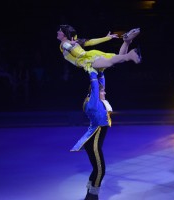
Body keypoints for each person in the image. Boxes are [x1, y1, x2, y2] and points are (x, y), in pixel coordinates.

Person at [70, 70, 113, 200]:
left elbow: (100, 85)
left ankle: (90, 195)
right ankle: (93, 196)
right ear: (96, 93)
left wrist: (101, 72)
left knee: (97, 169)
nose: (104, 92)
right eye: (102, 91)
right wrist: (92, 72)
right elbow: (95, 87)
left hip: (94, 142)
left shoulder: (98, 102)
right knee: (100, 170)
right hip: (93, 143)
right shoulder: (92, 104)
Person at [57, 25, 141, 74]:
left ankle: (130, 55)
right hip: (91, 55)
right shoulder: (74, 42)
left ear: (64, 34)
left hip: (87, 60)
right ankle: (127, 41)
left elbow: (66, 45)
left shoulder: (64, 43)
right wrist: (106, 38)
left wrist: (70, 45)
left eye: (60, 31)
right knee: (119, 58)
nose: (57, 32)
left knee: (110, 62)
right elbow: (91, 42)